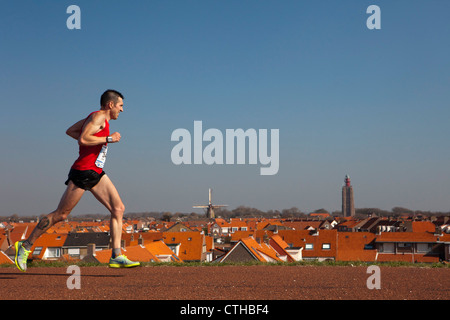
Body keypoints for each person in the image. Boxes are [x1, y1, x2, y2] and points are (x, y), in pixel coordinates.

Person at [14, 89, 140, 271]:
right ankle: (25, 246)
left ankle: (116, 255)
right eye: (120, 106)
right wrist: (108, 139)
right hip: (83, 172)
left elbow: (71, 131)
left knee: (118, 208)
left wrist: (95, 140)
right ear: (110, 104)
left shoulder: (97, 119)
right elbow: (82, 138)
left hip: (95, 172)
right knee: (61, 215)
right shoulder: (98, 118)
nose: (122, 110)